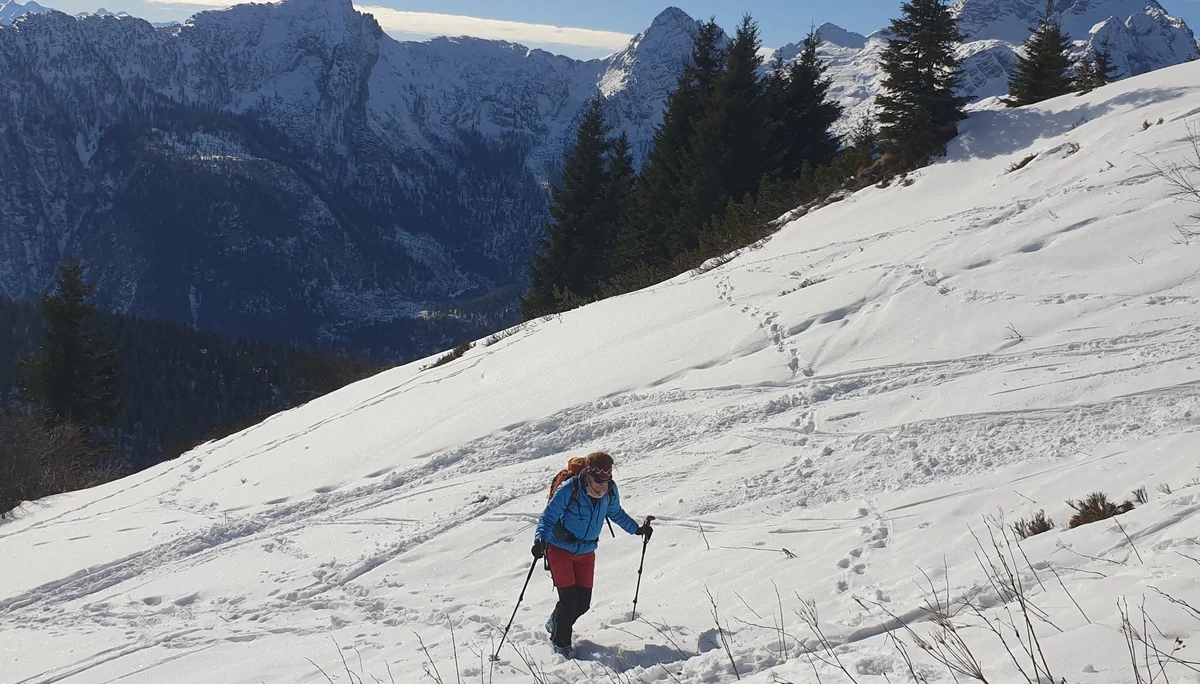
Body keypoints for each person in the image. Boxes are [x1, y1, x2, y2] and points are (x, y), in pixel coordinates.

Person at [531, 451, 652, 657]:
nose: (601, 485)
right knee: (569, 600)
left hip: (587, 552)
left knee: (583, 603)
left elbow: (615, 513)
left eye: (605, 480)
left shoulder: (609, 490)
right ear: (588, 474)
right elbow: (548, 517)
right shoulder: (570, 489)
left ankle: (555, 622)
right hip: (560, 549)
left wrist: (636, 529)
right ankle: (561, 643)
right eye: (598, 480)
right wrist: (540, 540)